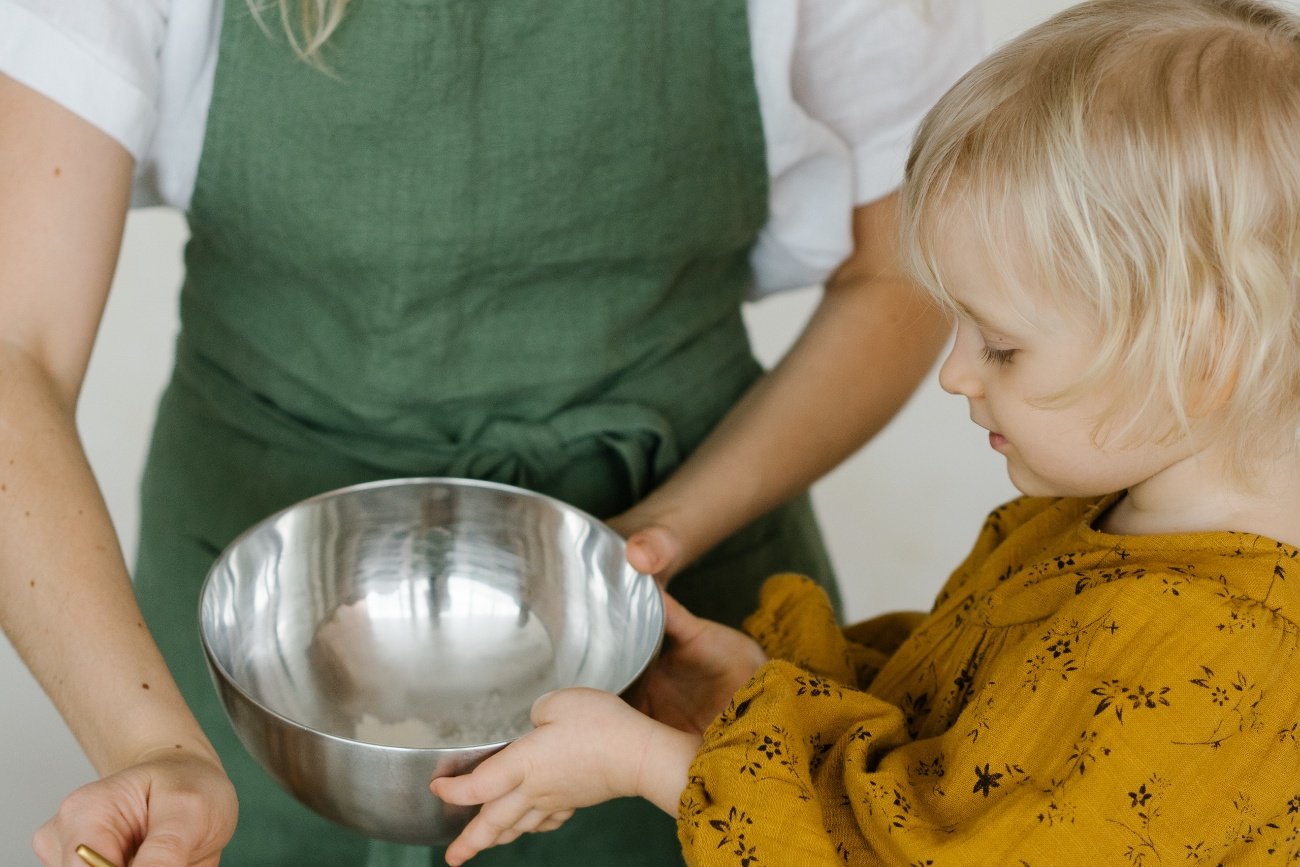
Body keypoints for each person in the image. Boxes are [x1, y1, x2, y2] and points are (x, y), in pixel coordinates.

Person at [0, 0, 983, 864]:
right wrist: (152, 748)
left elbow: (896, 273)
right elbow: (15, 352)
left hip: (679, 621)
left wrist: (667, 530)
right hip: (260, 651)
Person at [430, 0, 1300, 863]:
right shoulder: (1111, 516)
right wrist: (755, 698)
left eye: (1000, 345)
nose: (956, 372)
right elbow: (952, 743)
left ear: (1202, 352)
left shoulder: (1226, 656)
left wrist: (660, 766)